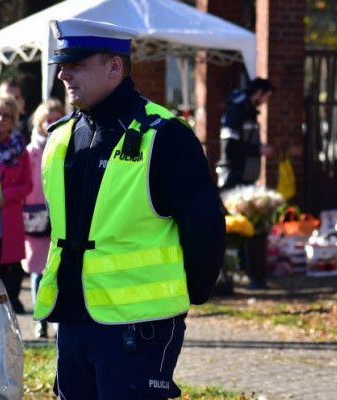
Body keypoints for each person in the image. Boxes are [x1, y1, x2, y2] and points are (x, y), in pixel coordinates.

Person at [34, 18, 225, 399]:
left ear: (114, 66)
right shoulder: (60, 137)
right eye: (61, 65)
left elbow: (205, 228)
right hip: (73, 317)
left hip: (139, 327)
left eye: (75, 64)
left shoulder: (166, 135)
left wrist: (191, 294)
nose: (63, 75)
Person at [0, 93, 32, 315]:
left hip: (10, 218)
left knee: (11, 268)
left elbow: (27, 184)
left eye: (6, 115)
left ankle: (10, 306)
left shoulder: (20, 149)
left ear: (13, 120)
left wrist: (7, 195)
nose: (0, 119)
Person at [23, 97, 63, 338]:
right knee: (38, 270)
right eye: (48, 120)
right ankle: (41, 319)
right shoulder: (30, 151)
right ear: (39, 123)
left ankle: (56, 317)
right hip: (35, 214)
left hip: (59, 213)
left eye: (56, 119)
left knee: (58, 268)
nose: (51, 124)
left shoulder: (68, 146)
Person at [214, 78, 275, 190]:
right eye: (268, 96)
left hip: (246, 176)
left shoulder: (249, 112)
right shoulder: (236, 111)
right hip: (233, 176)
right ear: (259, 92)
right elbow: (230, 146)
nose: (267, 101)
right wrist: (259, 149)